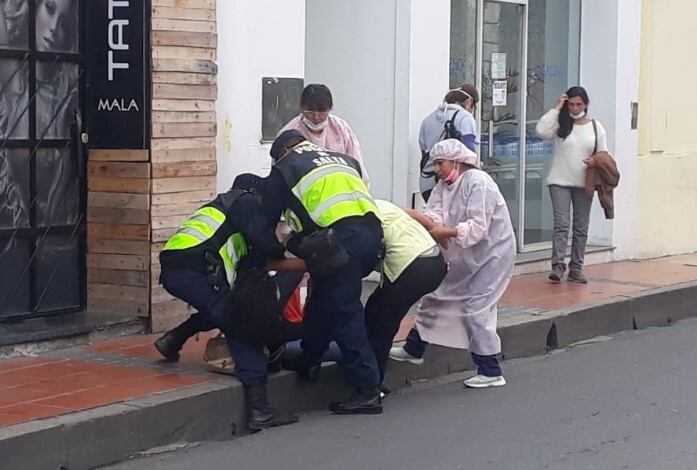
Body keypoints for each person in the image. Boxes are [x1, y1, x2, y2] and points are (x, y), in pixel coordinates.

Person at [155, 173, 298, 431]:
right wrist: (288, 248)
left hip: (181, 268)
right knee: (241, 326)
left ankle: (174, 339)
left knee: (224, 307)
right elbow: (265, 246)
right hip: (195, 270)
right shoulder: (242, 201)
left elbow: (247, 263)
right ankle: (260, 410)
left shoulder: (223, 213)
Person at [262, 129, 384, 415]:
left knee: (344, 311)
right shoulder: (342, 159)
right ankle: (310, 359)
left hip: (340, 240)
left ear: (281, 152)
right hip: (372, 235)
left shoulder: (286, 167)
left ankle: (368, 390)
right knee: (325, 297)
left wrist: (271, 253)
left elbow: (266, 219)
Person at [390, 139, 516, 389]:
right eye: (435, 164)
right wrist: (427, 223)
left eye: (440, 163)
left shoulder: (478, 182)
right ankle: (415, 348)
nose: (437, 169)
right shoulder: (444, 186)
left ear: (457, 160)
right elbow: (434, 214)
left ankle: (490, 369)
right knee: (438, 295)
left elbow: (478, 227)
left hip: (492, 255)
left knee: (477, 308)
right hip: (464, 252)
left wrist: (442, 232)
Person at [365, 199, 447, 384]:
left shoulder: (358, 214)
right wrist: (433, 228)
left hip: (412, 267)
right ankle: (374, 376)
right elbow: (412, 214)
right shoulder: (379, 204)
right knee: (381, 311)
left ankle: (372, 386)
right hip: (435, 261)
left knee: (379, 319)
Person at [536, 86, 608, 284]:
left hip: (585, 183)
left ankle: (576, 268)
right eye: (572, 104)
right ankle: (557, 266)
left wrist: (595, 162)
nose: (575, 108)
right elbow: (541, 130)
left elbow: (603, 154)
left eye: (579, 104)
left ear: (586, 104)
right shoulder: (561, 124)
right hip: (559, 181)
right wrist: (557, 108)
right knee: (562, 225)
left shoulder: (595, 127)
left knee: (581, 227)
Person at [279, 83, 369, 186]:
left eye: (322, 111)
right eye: (310, 111)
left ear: (329, 109)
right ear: (301, 108)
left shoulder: (340, 128)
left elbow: (356, 164)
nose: (316, 117)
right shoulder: (289, 133)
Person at [419, 83, 479, 202]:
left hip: (427, 183)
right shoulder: (464, 118)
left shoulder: (427, 120)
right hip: (453, 185)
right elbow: (469, 154)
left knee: (434, 218)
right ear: (469, 101)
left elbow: (424, 153)